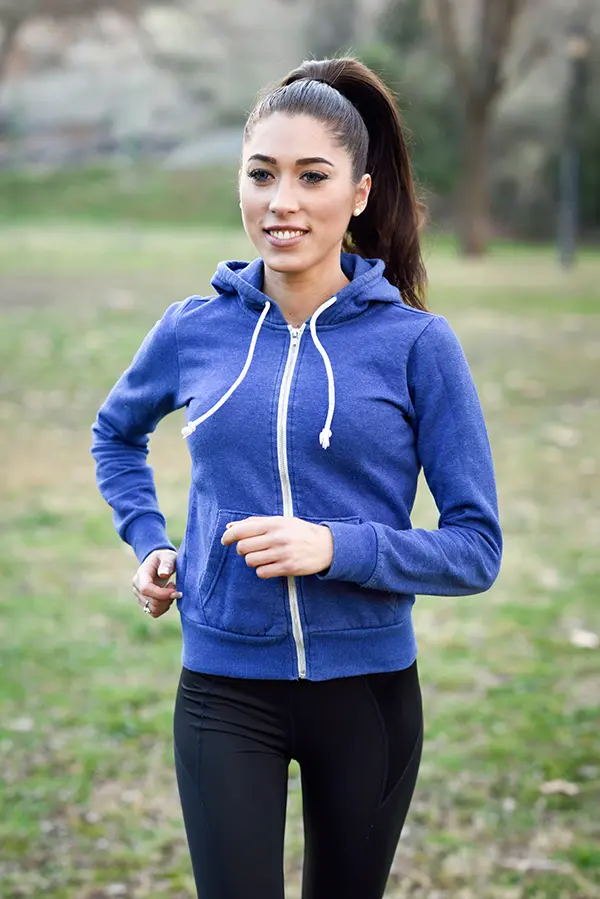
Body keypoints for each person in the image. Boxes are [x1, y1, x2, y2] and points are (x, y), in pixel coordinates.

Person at [91, 56, 502, 899]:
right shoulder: (194, 329)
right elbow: (115, 434)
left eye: (312, 176)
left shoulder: (418, 345)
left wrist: (334, 546)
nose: (282, 201)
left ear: (359, 192)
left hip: (368, 695)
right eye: (261, 174)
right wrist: (151, 541)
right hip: (223, 688)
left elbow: (476, 548)